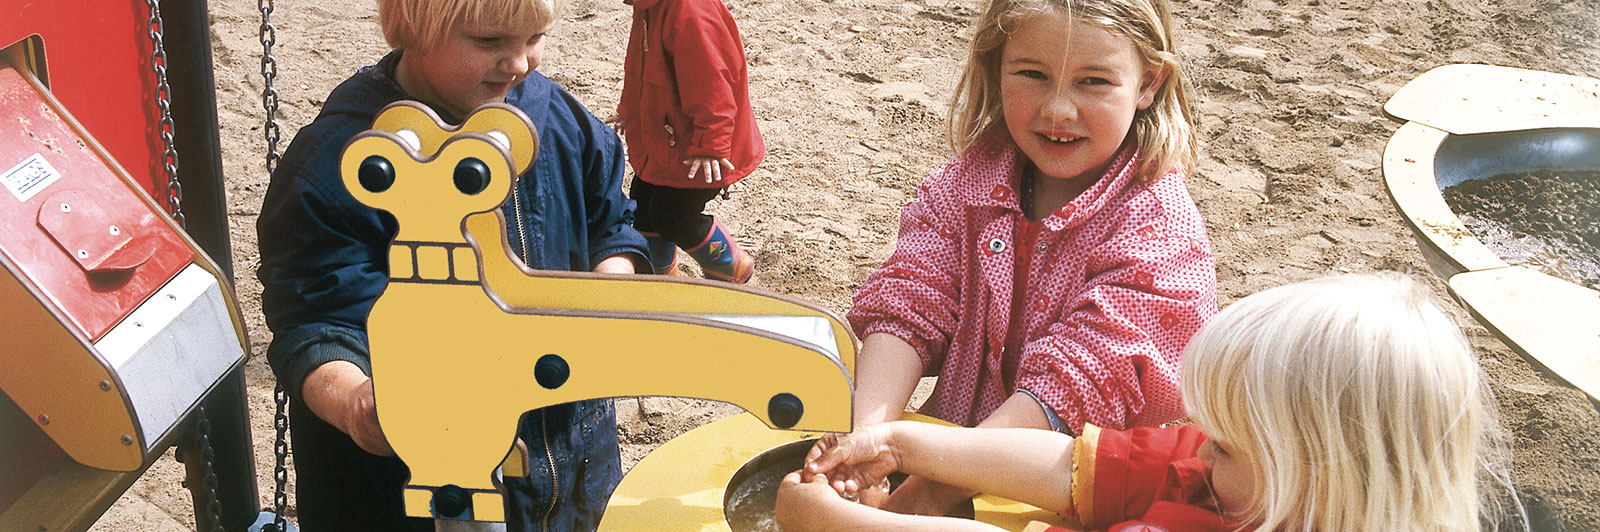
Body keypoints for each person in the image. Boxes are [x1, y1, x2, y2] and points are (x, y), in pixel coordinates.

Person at [255, 0, 646, 530]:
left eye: (533, 38)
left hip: (568, 454)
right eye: (489, 42)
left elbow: (610, 225)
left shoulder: (555, 118)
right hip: (402, 484)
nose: (520, 64)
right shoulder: (341, 161)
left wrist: (609, 287)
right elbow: (316, 318)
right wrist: (352, 402)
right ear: (413, 29)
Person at [778, 273, 1524, 532]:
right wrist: (908, 443)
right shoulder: (1239, 481)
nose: (1200, 444)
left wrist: (833, 524)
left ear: (1323, 475)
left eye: (1226, 442)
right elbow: (1070, 464)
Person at [845, 0, 1215, 514]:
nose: (1058, 110)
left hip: (1067, 500)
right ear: (995, 68)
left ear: (1149, 82)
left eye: (1094, 82)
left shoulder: (1158, 227)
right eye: (1033, 74)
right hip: (940, 455)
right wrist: (870, 440)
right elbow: (912, 296)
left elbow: (1083, 381)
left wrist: (932, 489)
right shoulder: (968, 182)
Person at [612, 0, 764, 282]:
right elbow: (638, 68)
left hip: (702, 150)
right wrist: (627, 110)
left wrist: (712, 144)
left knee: (673, 215)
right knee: (643, 205)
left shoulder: (691, 12)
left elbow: (713, 82)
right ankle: (659, 278)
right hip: (668, 141)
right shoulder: (648, 7)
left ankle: (731, 267)